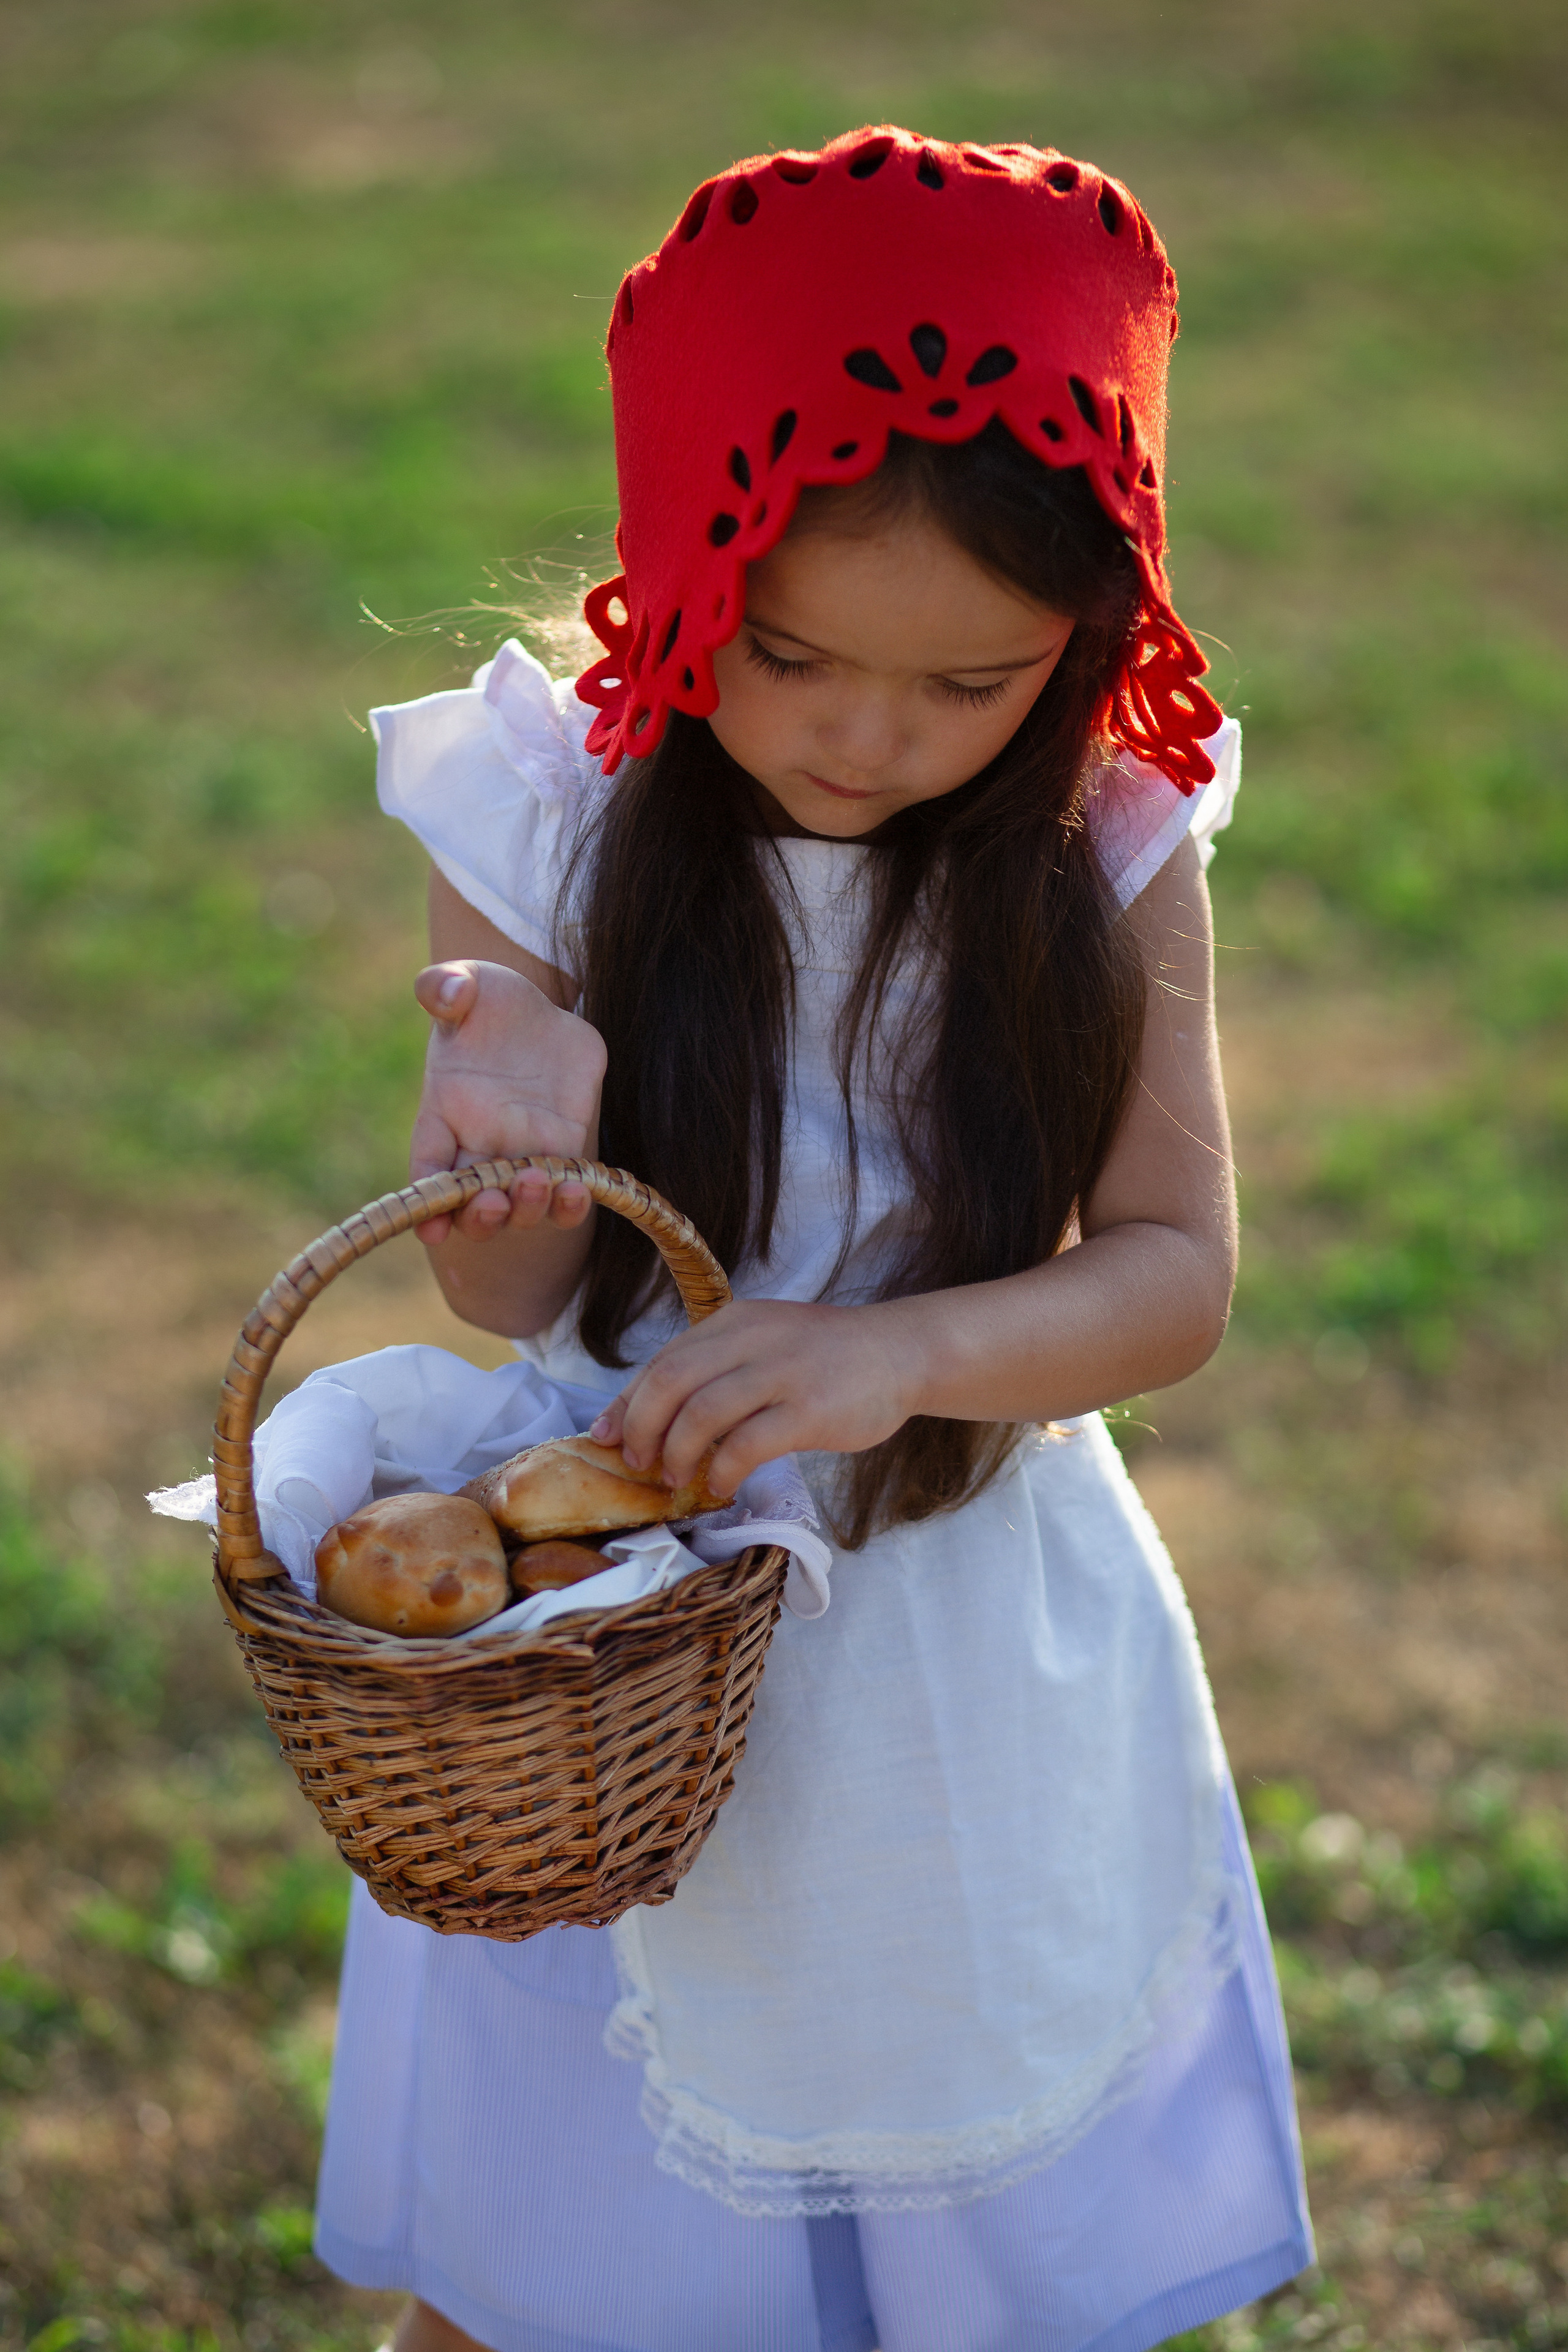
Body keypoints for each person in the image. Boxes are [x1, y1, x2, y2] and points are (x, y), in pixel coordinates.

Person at [315, 127, 1313, 2352]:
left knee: (956, 2258)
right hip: (620, 1666)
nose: (876, 739)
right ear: (683, 572)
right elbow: (497, 1298)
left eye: (975, 687)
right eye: (792, 658)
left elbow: (1173, 1272)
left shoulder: (1107, 828)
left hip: (946, 1649)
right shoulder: (555, 799)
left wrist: (896, 1355)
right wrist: (512, 1161)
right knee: (562, 2263)